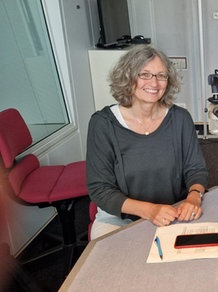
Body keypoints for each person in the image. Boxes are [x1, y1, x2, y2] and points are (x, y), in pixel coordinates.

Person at [86, 45, 208, 240]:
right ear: (128, 77)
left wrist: (194, 197)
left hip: (173, 211)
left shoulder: (180, 118)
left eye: (161, 75)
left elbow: (196, 169)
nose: (154, 82)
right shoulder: (102, 124)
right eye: (145, 74)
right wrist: (150, 211)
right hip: (119, 218)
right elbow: (100, 190)